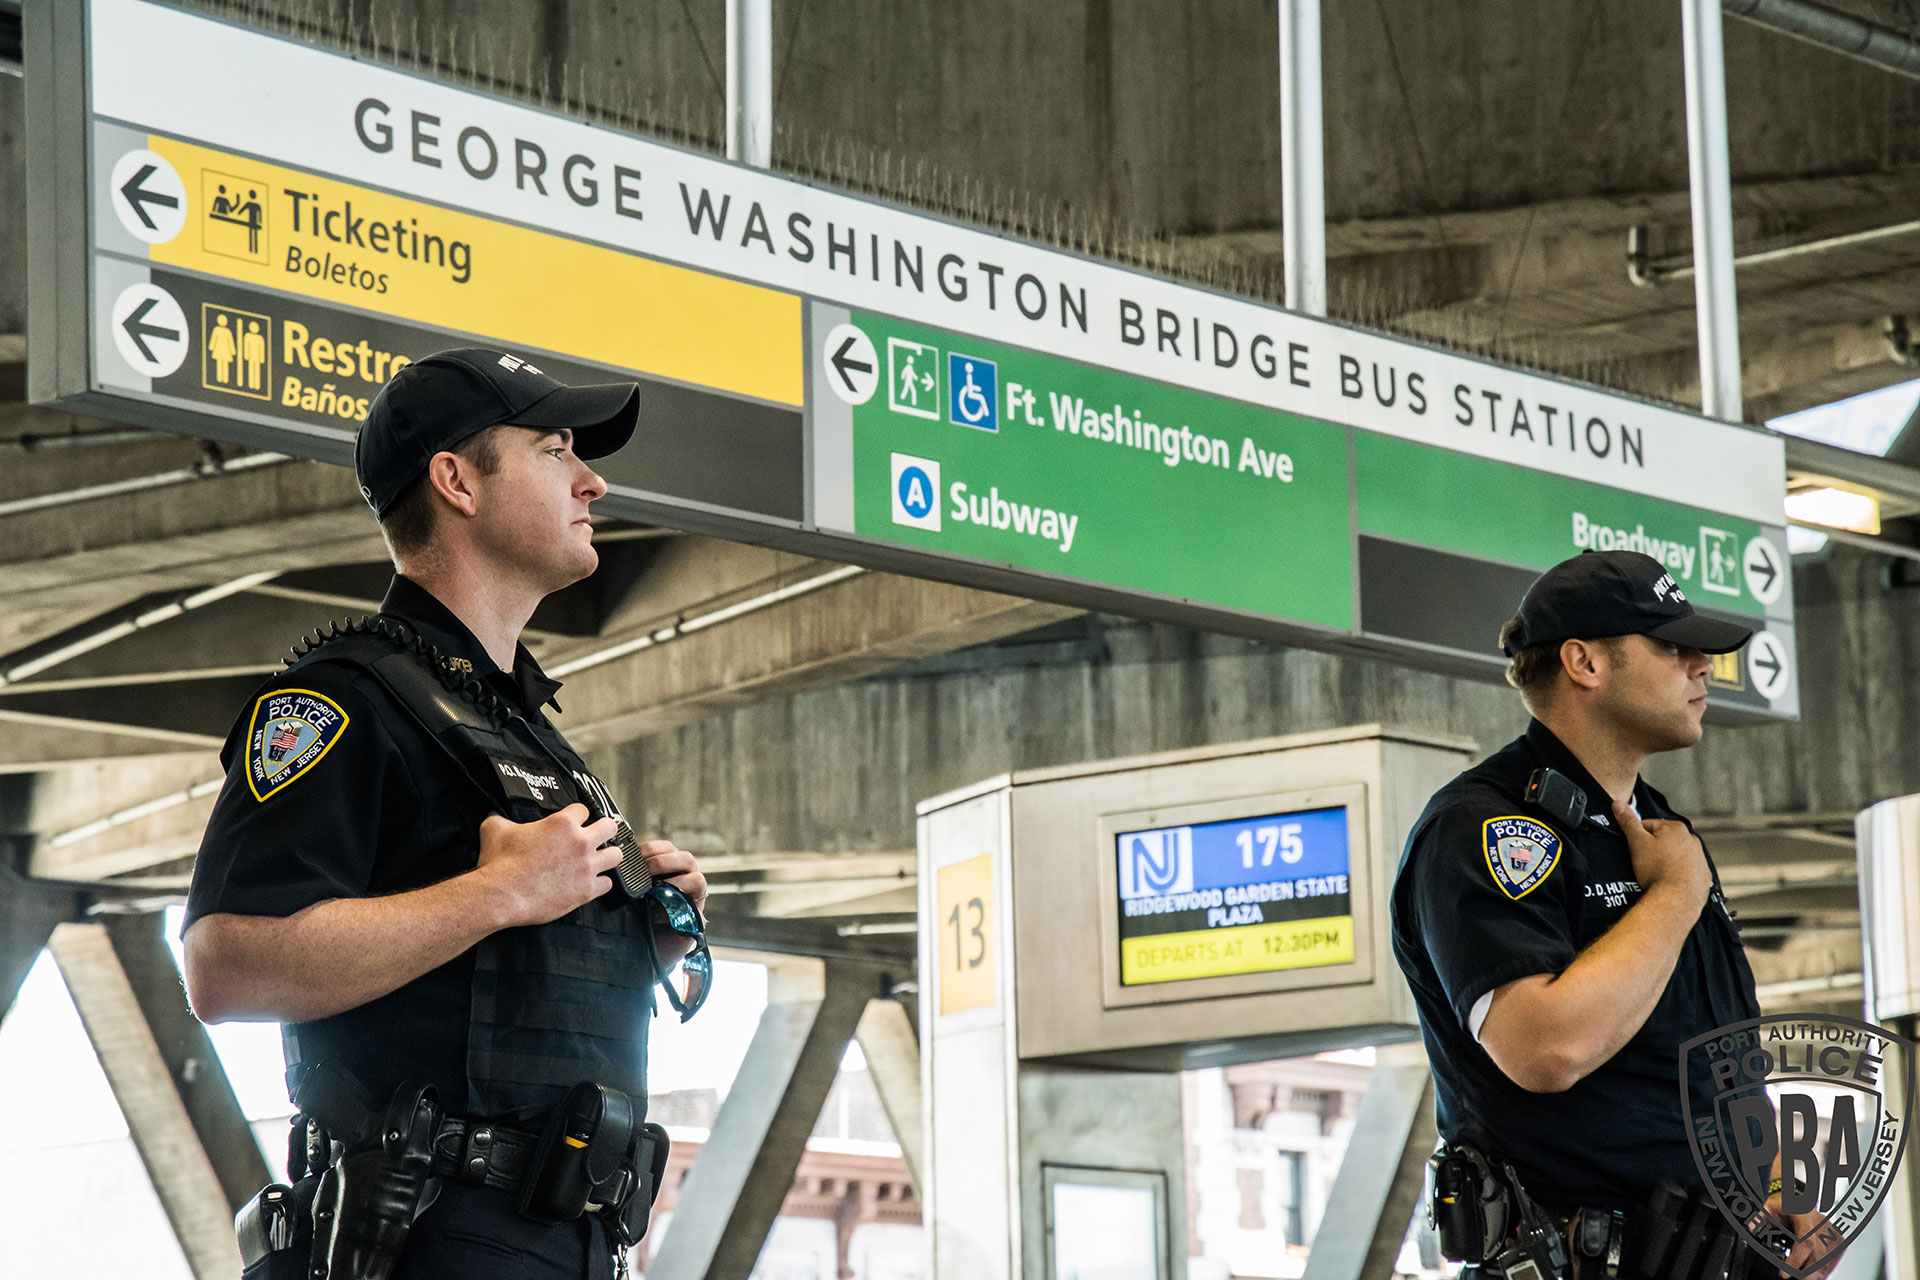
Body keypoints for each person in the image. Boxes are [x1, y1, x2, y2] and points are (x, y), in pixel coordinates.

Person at [181, 347, 710, 1279]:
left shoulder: (526, 729)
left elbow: (499, 982)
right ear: (456, 482)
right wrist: (499, 894)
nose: (592, 480)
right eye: (554, 450)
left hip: (571, 1236)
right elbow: (225, 967)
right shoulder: (341, 702)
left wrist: (631, 937)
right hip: (426, 1235)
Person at [1391, 550, 1833, 1280]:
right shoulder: (1484, 827)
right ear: (1584, 663)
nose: (1702, 666)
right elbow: (1545, 1049)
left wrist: (1788, 1190)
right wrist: (1672, 899)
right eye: (1671, 646)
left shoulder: (1667, 838)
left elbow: (1719, 1064)